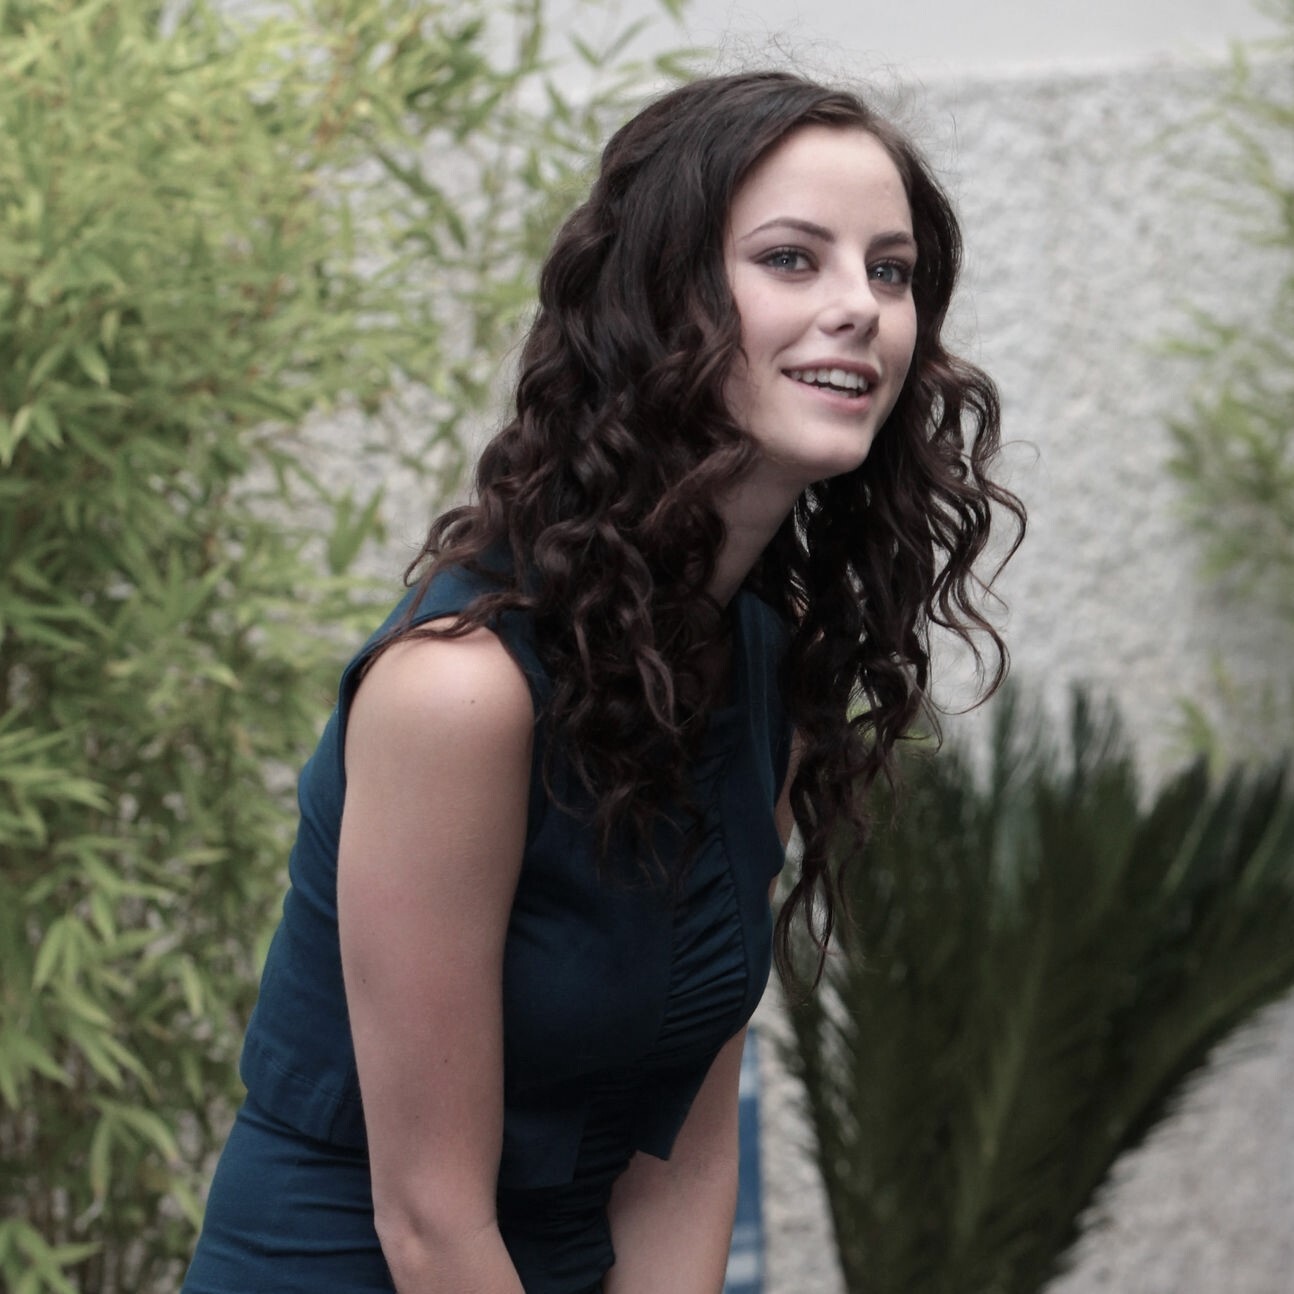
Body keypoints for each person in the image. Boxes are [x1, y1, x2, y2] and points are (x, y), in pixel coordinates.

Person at [182, 69, 1024, 1294]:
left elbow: (679, 1153)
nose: (859, 307)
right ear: (658, 301)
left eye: (888, 271)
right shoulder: (460, 692)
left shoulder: (763, 663)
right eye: (791, 259)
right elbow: (428, 1221)